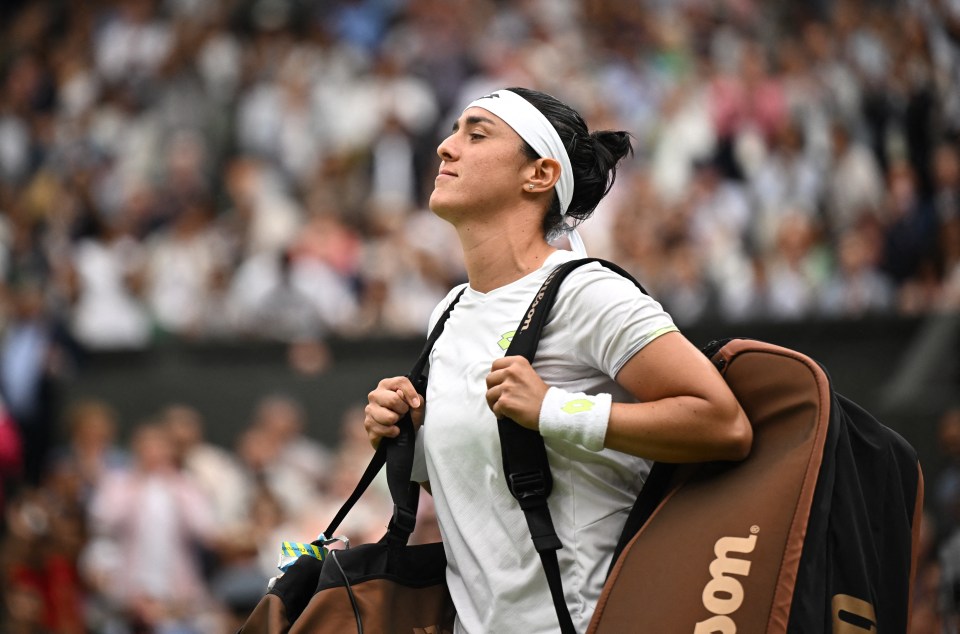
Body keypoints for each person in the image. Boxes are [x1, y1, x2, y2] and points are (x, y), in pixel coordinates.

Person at [363, 87, 752, 634]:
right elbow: (484, 491)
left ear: (540, 175)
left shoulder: (587, 294)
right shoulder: (448, 312)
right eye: (453, 132)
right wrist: (408, 434)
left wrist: (554, 408)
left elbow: (723, 422)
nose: (447, 149)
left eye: (476, 134)